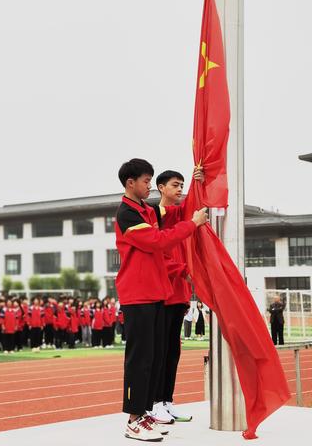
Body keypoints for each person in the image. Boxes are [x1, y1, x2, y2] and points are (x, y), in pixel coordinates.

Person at [115, 158, 208, 442]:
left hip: (156, 292)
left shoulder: (148, 210)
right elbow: (158, 241)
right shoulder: (128, 214)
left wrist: (197, 183)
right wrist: (192, 225)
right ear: (131, 183)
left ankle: (144, 413)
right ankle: (133, 419)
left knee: (154, 358)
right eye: (146, 181)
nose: (149, 186)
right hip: (137, 293)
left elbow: (181, 208)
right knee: (139, 359)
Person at [150, 169, 203, 423]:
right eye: (175, 185)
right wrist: (184, 271)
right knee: (160, 351)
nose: (179, 189)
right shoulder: (156, 216)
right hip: (164, 292)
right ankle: (155, 402)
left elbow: (193, 204)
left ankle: (167, 401)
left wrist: (197, 180)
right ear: (161, 187)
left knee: (173, 352)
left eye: (182, 185)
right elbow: (158, 255)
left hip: (180, 293)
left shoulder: (180, 214)